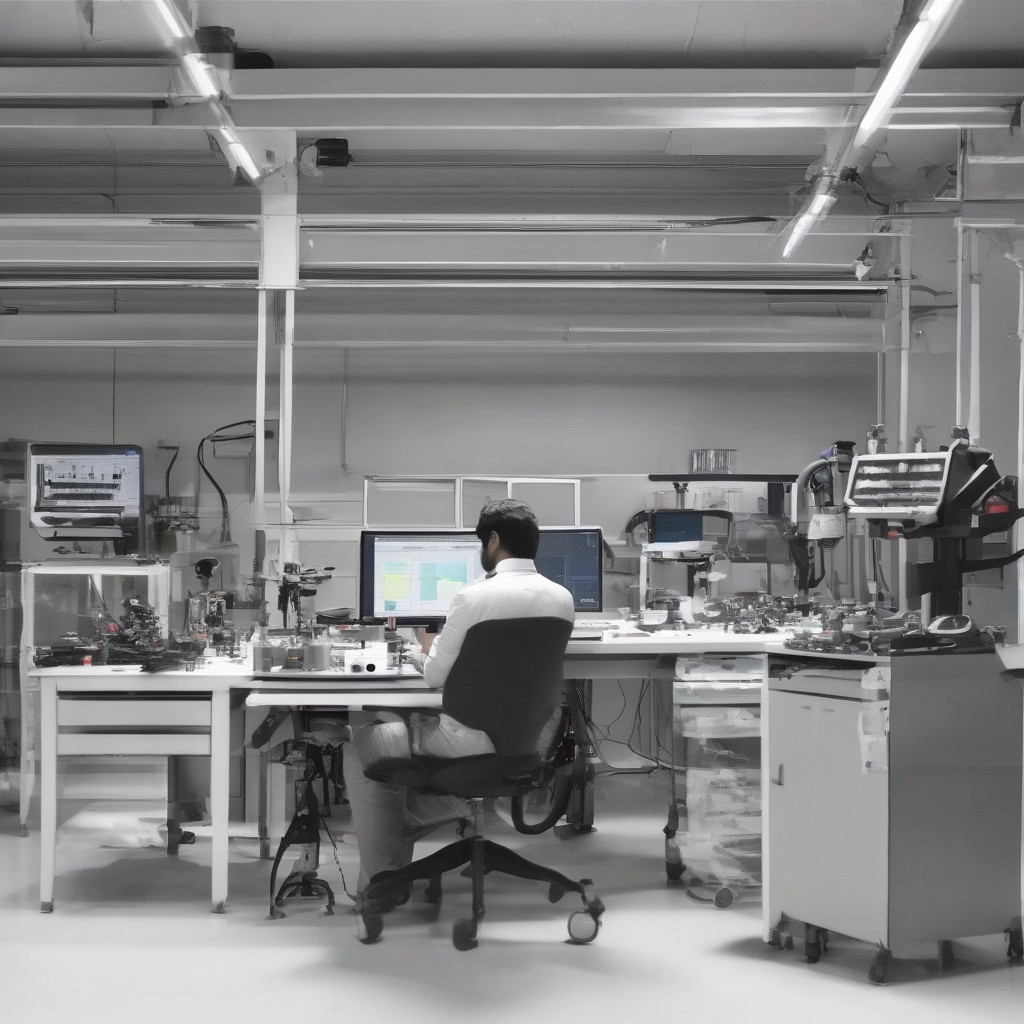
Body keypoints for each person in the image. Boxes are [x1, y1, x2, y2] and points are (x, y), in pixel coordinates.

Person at [343, 499, 575, 901]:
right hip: (527, 744)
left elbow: (435, 677)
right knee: (408, 741)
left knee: (361, 747)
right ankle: (436, 818)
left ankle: (382, 886)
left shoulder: (472, 598)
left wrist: (418, 651)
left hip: (467, 744)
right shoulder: (562, 598)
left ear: (495, 540)